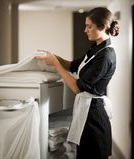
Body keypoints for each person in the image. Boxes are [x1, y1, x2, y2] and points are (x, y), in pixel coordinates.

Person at [36, 7, 119, 159]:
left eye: (89, 26)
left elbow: (77, 87)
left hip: (94, 116)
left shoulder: (106, 55)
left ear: (101, 27)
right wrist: (55, 57)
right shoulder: (96, 48)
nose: (85, 30)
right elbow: (73, 66)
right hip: (88, 112)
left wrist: (56, 65)